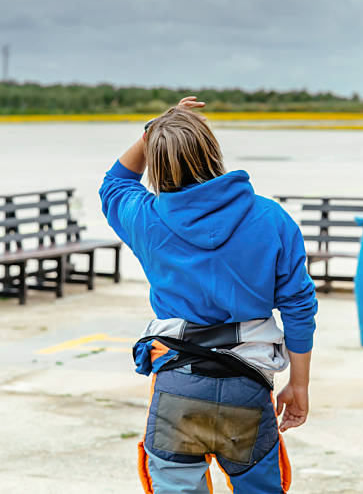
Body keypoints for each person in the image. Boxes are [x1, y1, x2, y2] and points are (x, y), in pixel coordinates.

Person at [99, 96, 318, 494]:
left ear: (157, 159)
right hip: (247, 386)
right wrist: (299, 386)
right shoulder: (271, 218)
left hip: (177, 386)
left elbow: (114, 183)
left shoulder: (145, 218)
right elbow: (300, 307)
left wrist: (155, 129)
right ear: (212, 151)